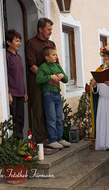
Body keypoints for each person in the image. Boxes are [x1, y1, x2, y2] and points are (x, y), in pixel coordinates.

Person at [25, 17, 59, 146]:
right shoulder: (31, 43)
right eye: (48, 29)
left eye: (51, 29)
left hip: (52, 81)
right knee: (39, 109)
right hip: (37, 81)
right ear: (40, 29)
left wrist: (57, 78)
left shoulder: (52, 44)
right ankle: (41, 139)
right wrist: (47, 78)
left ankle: (53, 137)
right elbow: (32, 65)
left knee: (51, 110)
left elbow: (57, 63)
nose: (50, 32)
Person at [36, 46, 71, 149]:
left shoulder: (57, 66)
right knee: (51, 118)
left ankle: (60, 138)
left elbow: (66, 80)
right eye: (53, 55)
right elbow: (38, 79)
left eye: (56, 54)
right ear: (47, 57)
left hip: (57, 95)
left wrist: (62, 76)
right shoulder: (43, 67)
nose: (56, 56)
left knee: (59, 118)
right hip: (48, 95)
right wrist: (50, 77)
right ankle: (52, 140)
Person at [6, 29, 28, 139]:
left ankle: (21, 148)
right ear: (8, 42)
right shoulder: (6, 56)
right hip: (12, 94)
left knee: (20, 121)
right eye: (16, 41)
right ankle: (15, 149)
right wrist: (8, 93)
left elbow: (20, 76)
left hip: (20, 94)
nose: (19, 43)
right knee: (14, 122)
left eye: (19, 41)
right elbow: (5, 77)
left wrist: (24, 92)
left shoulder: (18, 57)